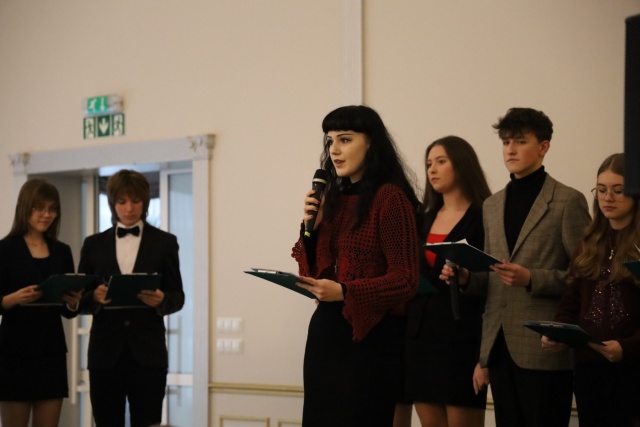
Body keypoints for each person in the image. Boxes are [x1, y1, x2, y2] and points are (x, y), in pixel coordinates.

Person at [442, 107, 591, 427]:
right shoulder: (492, 204)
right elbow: (492, 279)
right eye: (506, 142)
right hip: (499, 347)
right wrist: (465, 277)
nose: (510, 150)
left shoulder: (568, 200)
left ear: (544, 146)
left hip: (544, 347)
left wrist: (532, 278)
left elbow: (586, 277)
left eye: (520, 141)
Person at [292, 105, 421, 427]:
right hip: (326, 333)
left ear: (371, 142)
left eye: (345, 139)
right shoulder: (332, 199)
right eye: (330, 141)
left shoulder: (390, 198)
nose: (334, 150)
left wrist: (346, 292)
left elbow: (406, 280)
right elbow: (313, 274)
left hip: (370, 341)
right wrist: (312, 228)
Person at [78, 169, 184, 427]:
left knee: (148, 422)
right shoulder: (93, 244)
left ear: (145, 202)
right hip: (105, 354)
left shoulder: (165, 243)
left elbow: (178, 296)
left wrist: (161, 300)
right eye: (122, 201)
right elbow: (78, 298)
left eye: (136, 201)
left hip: (148, 353)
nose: (129, 208)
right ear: (112, 203)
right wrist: (94, 297)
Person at [541, 153, 640, 427]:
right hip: (588, 366)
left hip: (632, 367)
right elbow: (570, 302)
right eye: (601, 190)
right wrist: (558, 333)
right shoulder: (588, 243)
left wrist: (627, 348)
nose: (608, 198)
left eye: (618, 190)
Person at [405, 136, 491, 427]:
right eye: (429, 163)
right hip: (420, 337)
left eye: (441, 162)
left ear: (462, 164)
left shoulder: (484, 217)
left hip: (461, 338)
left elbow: (493, 280)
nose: (432, 169)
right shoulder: (423, 218)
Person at [0, 178, 83, 427]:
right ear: (25, 208)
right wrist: (14, 298)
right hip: (14, 351)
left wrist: (73, 302)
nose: (46, 215)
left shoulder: (62, 251)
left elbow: (68, 311)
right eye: (39, 208)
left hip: (51, 351)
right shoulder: (5, 249)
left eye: (52, 209)